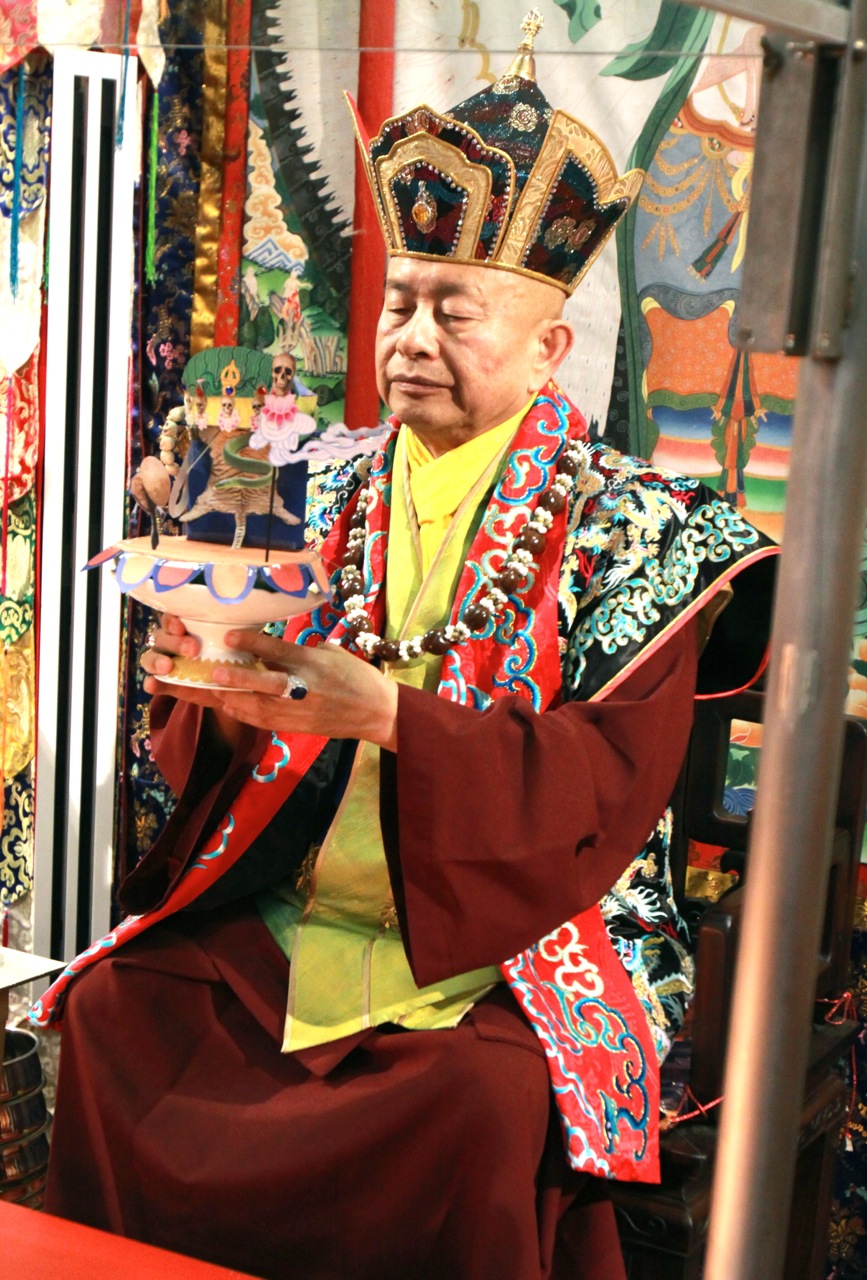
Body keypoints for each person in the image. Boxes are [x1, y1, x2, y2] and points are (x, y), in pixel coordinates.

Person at [35, 18, 777, 1280]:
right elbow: (220, 732)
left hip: (517, 934)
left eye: (454, 310)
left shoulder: (639, 526)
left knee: (477, 1106)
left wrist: (390, 717)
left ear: (550, 347)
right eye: (401, 302)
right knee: (120, 1013)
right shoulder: (316, 482)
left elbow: (605, 787)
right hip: (300, 898)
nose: (413, 336)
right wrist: (213, 672)